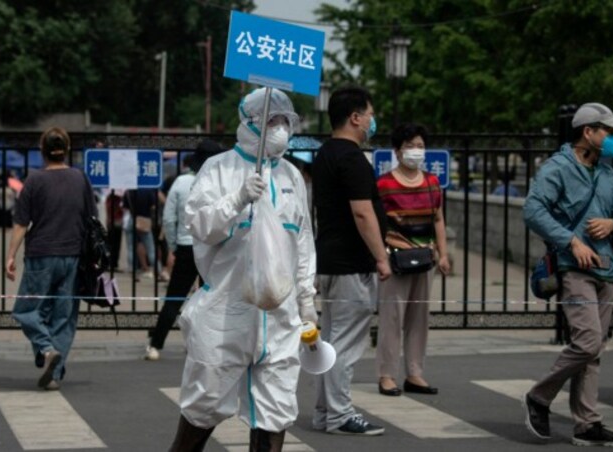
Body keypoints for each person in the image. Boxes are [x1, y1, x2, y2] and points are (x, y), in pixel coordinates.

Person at [168, 88, 317, 452]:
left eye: (285, 121)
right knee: (202, 405)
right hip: (227, 310)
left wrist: (306, 299)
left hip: (280, 315)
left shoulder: (292, 177)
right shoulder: (218, 169)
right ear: (249, 122)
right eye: (272, 120)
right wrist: (236, 200)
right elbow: (199, 225)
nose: (281, 128)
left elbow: (303, 244)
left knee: (276, 409)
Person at [522, 103, 613, 447]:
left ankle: (587, 423)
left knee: (594, 349)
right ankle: (539, 396)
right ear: (589, 132)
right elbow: (533, 210)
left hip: (606, 270)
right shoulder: (557, 168)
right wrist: (571, 241)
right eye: (608, 131)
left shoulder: (607, 173)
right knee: (586, 341)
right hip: (574, 269)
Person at [311, 86, 389, 436]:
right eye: (370, 115)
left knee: (331, 340)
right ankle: (340, 415)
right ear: (355, 118)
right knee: (345, 343)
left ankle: (325, 412)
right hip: (351, 264)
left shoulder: (325, 154)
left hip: (329, 259)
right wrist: (381, 257)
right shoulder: (353, 158)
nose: (372, 122)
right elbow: (363, 213)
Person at [6, 127, 96, 390]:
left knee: (26, 310)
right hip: (73, 254)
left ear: (42, 151)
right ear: (66, 150)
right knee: (63, 316)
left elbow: (22, 223)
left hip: (41, 255)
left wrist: (10, 255)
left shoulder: (33, 180)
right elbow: (91, 219)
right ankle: (54, 373)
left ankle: (45, 349)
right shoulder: (80, 178)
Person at [375, 123, 450, 397]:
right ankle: (387, 375)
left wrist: (443, 254)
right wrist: (379, 254)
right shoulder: (383, 184)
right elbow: (376, 222)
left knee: (419, 318)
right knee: (392, 318)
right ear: (397, 151)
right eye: (410, 146)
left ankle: (415, 373)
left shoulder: (432, 182)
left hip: (425, 257)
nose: (416, 151)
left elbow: (438, 219)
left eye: (420, 146)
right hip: (395, 259)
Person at [144, 141, 220, 361]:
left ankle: (156, 345)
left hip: (187, 246)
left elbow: (168, 218)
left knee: (174, 298)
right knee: (211, 299)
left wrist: (174, 244)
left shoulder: (180, 182)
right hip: (213, 248)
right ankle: (203, 344)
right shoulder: (219, 182)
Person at [123, 187, 159, 279]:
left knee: (131, 247)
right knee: (150, 248)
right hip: (144, 220)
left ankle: (132, 268)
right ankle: (157, 269)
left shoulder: (129, 191)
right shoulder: (148, 190)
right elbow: (154, 206)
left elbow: (125, 207)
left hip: (132, 220)